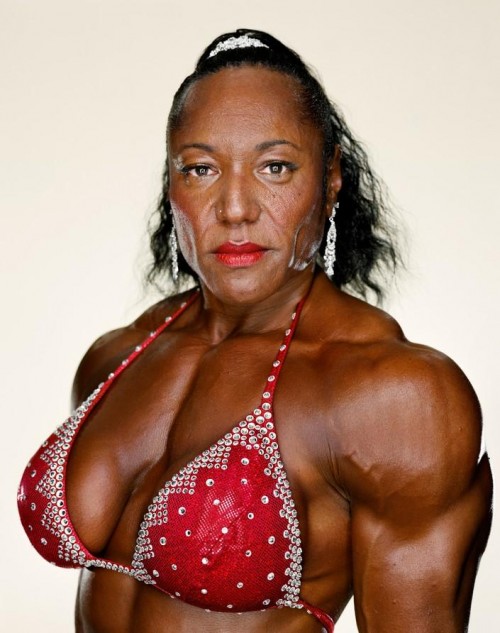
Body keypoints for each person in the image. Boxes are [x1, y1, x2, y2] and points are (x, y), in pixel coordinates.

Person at [18, 28, 492, 633]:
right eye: (200, 169)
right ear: (171, 185)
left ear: (331, 179)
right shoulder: (115, 357)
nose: (235, 208)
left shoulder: (392, 396)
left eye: (275, 167)